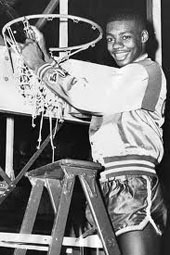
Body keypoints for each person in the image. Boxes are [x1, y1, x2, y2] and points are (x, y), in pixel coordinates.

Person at [20, 9, 167, 255]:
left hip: (133, 182)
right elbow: (76, 102)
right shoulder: (118, 84)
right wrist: (44, 53)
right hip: (105, 183)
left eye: (125, 37)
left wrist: (39, 64)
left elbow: (84, 97)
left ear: (143, 37)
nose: (116, 45)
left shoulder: (145, 72)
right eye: (110, 39)